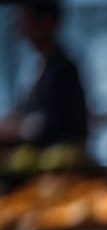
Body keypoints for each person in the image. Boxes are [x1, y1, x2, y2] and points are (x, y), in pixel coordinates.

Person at [1, 0, 89, 147]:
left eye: (25, 19)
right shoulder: (40, 64)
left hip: (58, 159)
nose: (20, 28)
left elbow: (55, 123)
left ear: (46, 22)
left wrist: (17, 129)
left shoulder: (62, 69)